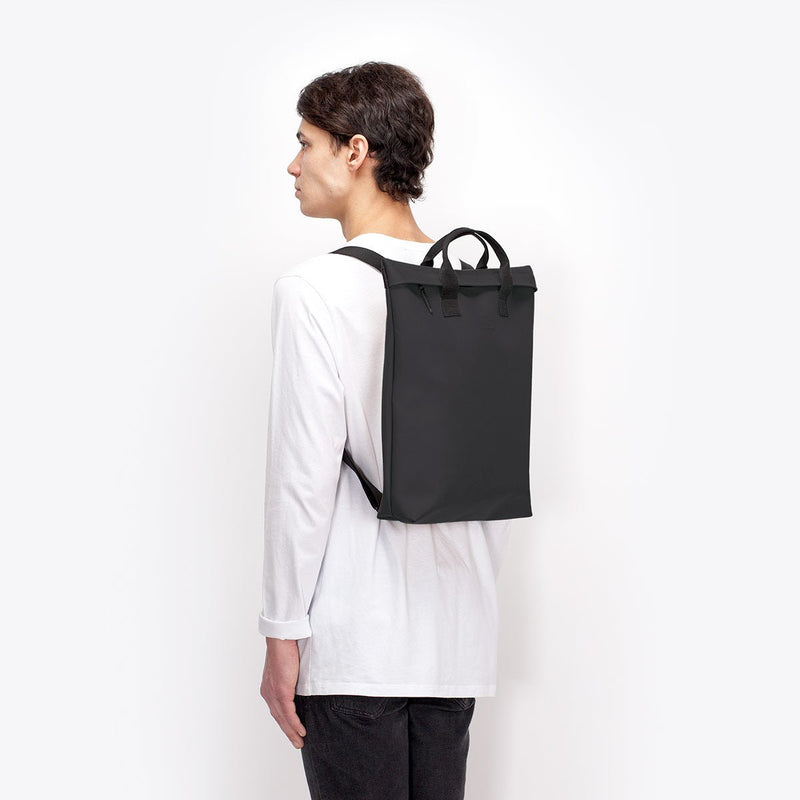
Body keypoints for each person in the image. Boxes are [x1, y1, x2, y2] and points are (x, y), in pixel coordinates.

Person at [258, 61, 512, 800]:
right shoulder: (480, 290)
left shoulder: (314, 290)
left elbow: (301, 480)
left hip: (354, 641)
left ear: (356, 151)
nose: (293, 164)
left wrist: (281, 630)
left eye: (306, 142)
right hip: (455, 645)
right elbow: (491, 469)